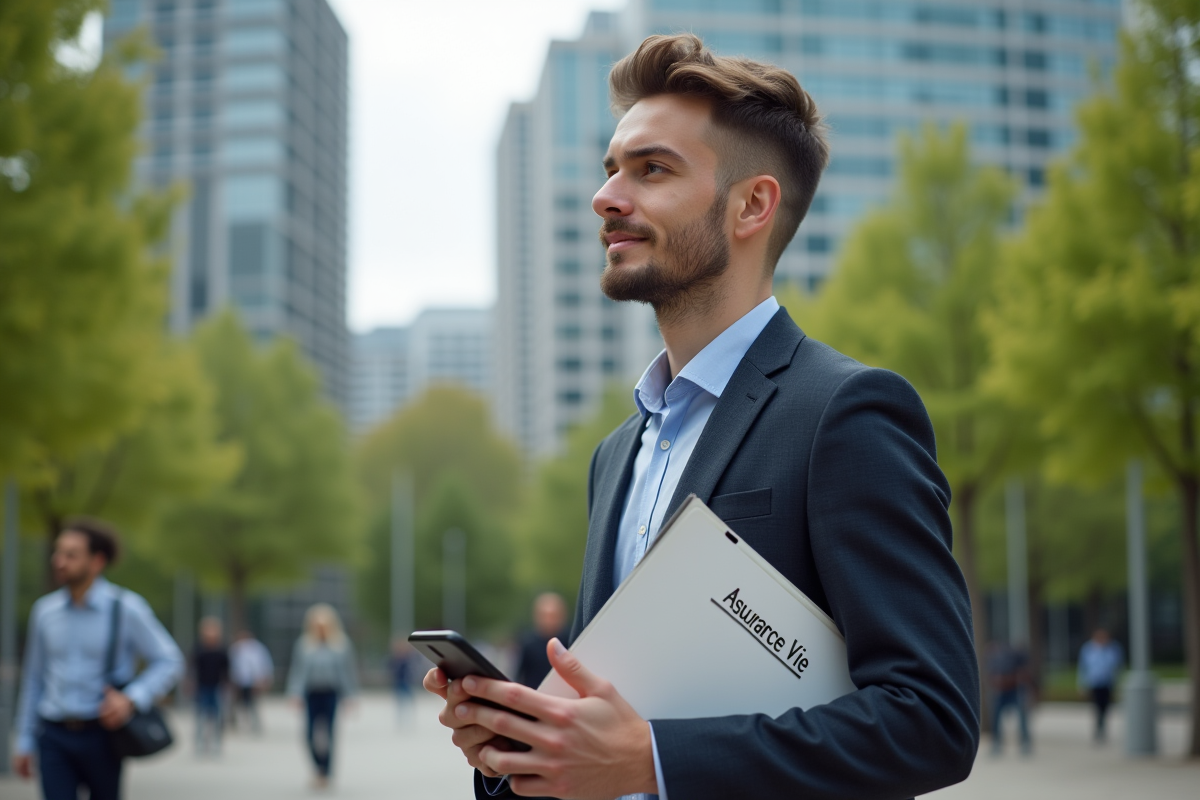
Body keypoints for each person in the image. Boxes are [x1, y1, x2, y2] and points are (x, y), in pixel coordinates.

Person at [425, 33, 979, 800]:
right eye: (611, 169)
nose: (607, 196)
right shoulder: (617, 453)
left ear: (752, 205)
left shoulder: (847, 413)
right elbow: (606, 720)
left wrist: (654, 759)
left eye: (651, 169)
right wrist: (518, 752)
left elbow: (933, 721)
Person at [11, 518, 184, 800]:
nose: (59, 561)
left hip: (103, 735)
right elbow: (34, 677)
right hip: (53, 734)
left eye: (71, 555)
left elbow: (169, 660)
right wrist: (25, 739)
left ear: (97, 561)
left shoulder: (125, 608)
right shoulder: (44, 612)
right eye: (58, 552)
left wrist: (131, 699)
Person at [286, 603, 358, 789]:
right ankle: (317, 767)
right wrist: (295, 693)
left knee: (329, 734)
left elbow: (347, 672)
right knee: (309, 734)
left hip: (331, 693)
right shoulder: (304, 645)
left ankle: (326, 771)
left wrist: (350, 696)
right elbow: (298, 671)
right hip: (311, 693)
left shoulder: (341, 645)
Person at [514, 593, 570, 689]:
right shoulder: (528, 643)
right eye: (545, 616)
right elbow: (520, 674)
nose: (549, 621)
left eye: (553, 616)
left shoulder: (570, 641)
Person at [1078, 628, 1124, 742]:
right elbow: (1083, 667)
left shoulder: (1113, 648)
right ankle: (1099, 728)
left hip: (1108, 682)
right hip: (1094, 682)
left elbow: (1118, 666)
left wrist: (1118, 682)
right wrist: (1082, 684)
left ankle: (1102, 726)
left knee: (1105, 706)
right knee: (1097, 706)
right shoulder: (1088, 649)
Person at [987, 640, 1033, 755]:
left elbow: (1024, 673)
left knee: (1022, 717)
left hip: (1015, 690)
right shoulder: (994, 658)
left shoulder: (1016, 657)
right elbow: (991, 676)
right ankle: (996, 743)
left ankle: (1025, 742)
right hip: (1000, 691)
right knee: (995, 717)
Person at [192, 616, 229, 755]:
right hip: (202, 687)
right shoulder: (199, 649)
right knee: (200, 717)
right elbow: (193, 668)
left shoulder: (221, 650)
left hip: (217, 687)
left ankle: (217, 744)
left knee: (218, 718)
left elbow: (227, 670)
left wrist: (227, 685)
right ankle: (200, 744)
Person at [228, 629, 274, 733]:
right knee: (236, 705)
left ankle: (255, 724)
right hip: (239, 682)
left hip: (254, 681)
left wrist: (265, 678)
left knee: (254, 704)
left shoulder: (258, 648)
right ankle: (235, 724)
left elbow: (265, 664)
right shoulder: (235, 648)